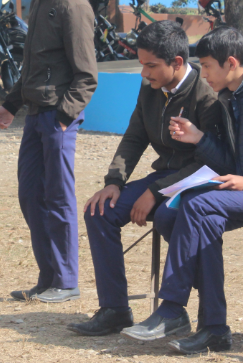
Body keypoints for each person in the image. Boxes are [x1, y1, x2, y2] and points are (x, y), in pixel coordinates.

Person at [120, 27, 243, 355]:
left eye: (208, 66)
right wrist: (199, 138)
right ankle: (213, 328)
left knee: (197, 208)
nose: (203, 73)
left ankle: (172, 308)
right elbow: (229, 161)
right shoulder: (229, 97)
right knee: (177, 212)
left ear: (231, 63)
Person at [67, 21, 222, 336]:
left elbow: (209, 162)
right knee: (99, 211)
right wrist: (114, 181)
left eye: (151, 66)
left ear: (177, 63)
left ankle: (175, 311)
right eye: (142, 65)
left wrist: (155, 191)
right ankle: (115, 309)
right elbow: (135, 136)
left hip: (197, 180)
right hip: (164, 178)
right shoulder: (151, 87)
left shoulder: (207, 95)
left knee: (169, 214)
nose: (144, 74)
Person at [0, 0, 98, 303]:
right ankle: (49, 277)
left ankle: (66, 281)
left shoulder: (72, 4)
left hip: (56, 117)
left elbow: (87, 76)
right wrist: (11, 103)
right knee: (30, 194)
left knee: (57, 197)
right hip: (36, 114)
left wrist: (62, 117)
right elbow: (33, 66)